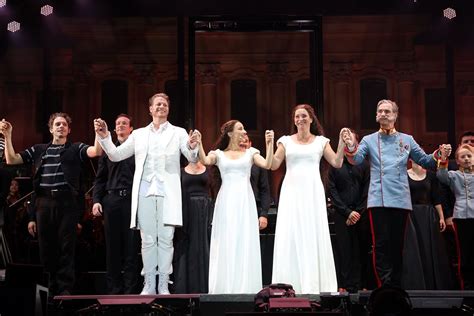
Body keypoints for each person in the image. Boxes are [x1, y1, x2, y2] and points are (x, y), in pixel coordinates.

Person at [94, 93, 199, 295]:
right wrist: (105, 137)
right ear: (150, 109)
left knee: (166, 239)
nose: (161, 106)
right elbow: (115, 156)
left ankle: (163, 283)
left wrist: (193, 147)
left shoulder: (179, 133)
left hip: (167, 191)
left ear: (168, 109)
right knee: (148, 240)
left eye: (165, 104)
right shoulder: (139, 134)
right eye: (157, 104)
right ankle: (149, 283)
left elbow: (191, 158)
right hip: (144, 191)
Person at [342, 99, 449, 288]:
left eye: (387, 111)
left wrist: (440, 155)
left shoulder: (406, 139)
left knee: (398, 246)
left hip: (400, 198)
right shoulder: (369, 140)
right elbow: (356, 160)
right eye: (380, 111)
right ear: (376, 115)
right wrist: (351, 146)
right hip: (378, 199)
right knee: (381, 246)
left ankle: (396, 286)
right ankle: (385, 286)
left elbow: (425, 161)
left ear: (395, 115)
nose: (383, 114)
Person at [0, 113, 102, 296]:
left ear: (69, 130)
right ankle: (48, 291)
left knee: (66, 248)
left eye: (64, 124)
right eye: (57, 124)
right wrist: (7, 137)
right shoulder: (39, 149)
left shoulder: (76, 148)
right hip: (44, 204)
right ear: (51, 128)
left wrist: (98, 133)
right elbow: (12, 159)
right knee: (46, 249)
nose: (61, 126)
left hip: (67, 203)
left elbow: (96, 152)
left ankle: (65, 291)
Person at [271, 104, 347, 294]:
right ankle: (289, 284)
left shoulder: (321, 141)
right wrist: (269, 144)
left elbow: (337, 162)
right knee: (291, 233)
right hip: (291, 193)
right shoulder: (285, 141)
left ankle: (314, 284)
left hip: (312, 192)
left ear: (311, 119)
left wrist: (341, 142)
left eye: (304, 116)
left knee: (313, 233)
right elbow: (273, 165)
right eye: (297, 116)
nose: (300, 119)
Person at [196, 120, 274, 294]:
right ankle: (224, 287)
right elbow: (205, 160)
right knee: (226, 240)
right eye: (240, 128)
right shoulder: (219, 154)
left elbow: (268, 164)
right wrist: (200, 142)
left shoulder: (251, 153)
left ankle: (246, 287)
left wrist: (269, 145)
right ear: (230, 133)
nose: (244, 131)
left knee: (244, 241)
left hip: (245, 201)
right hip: (226, 201)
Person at [92, 114, 141, 294]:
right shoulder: (107, 152)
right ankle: (114, 290)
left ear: (131, 129)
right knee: (112, 248)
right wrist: (96, 201)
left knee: (131, 247)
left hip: (131, 201)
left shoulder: (137, 150)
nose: (120, 126)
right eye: (117, 123)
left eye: (124, 123)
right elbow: (100, 180)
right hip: (111, 202)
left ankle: (130, 290)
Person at [327, 130, 371, 293]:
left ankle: (360, 284)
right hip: (341, 215)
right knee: (343, 250)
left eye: (350, 141)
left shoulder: (364, 164)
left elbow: (368, 190)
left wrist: (357, 212)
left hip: (361, 214)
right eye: (344, 141)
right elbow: (331, 190)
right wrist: (346, 212)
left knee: (360, 250)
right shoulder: (335, 165)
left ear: (357, 144)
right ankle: (344, 284)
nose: (347, 144)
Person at [402, 159, 455, 290]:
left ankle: (434, 285)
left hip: (428, 215)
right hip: (411, 215)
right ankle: (417, 285)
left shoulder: (431, 175)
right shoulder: (403, 175)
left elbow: (437, 198)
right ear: (410, 159)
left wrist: (441, 217)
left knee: (430, 249)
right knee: (415, 249)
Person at [437, 144, 474, 290]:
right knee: (463, 253)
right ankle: (466, 288)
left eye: (469, 156)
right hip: (461, 216)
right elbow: (441, 176)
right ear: (457, 161)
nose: (466, 159)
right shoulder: (454, 175)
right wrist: (444, 157)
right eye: (462, 157)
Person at [173, 160, 213, 293]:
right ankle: (185, 286)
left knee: (204, 246)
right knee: (187, 247)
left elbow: (213, 191)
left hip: (204, 211)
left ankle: (207, 285)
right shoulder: (180, 170)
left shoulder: (208, 168)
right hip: (186, 210)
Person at [239, 134, 272, 230]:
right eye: (239, 142)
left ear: (250, 144)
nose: (242, 144)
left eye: (245, 142)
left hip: (253, 207)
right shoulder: (229, 161)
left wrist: (264, 214)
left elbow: (264, 189)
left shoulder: (258, 162)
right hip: (235, 205)